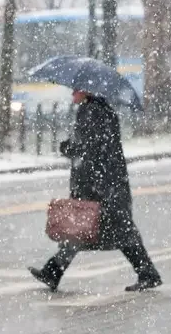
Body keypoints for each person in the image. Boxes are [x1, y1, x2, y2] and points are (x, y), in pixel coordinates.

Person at [30, 90, 162, 293]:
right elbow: (95, 146)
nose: (73, 93)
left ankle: (148, 273)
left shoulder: (93, 112)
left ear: (87, 92)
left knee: (102, 229)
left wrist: (70, 148)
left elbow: (91, 148)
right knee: (90, 229)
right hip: (106, 182)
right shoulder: (99, 110)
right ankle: (53, 271)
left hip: (100, 184)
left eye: (77, 89)